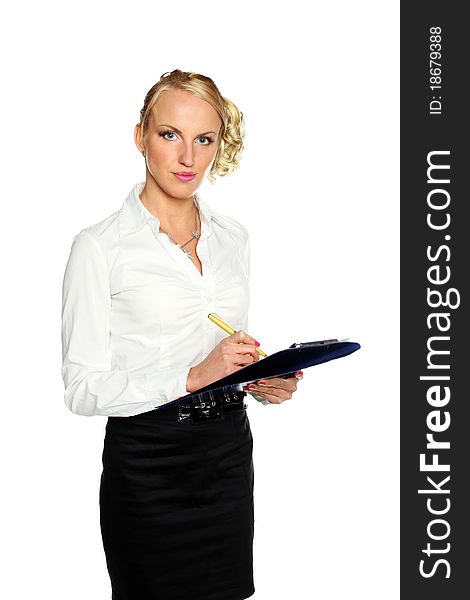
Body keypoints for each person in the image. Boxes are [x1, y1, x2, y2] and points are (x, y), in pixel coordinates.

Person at [61, 69, 303, 600]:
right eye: (170, 135)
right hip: (148, 467)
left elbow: (223, 350)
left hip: (226, 456)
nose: (188, 157)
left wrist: (259, 381)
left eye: (204, 139)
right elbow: (81, 389)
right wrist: (195, 375)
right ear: (140, 137)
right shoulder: (99, 248)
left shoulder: (233, 238)